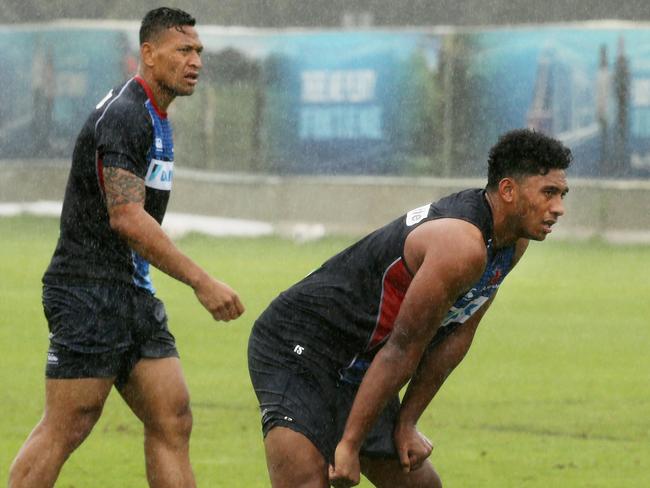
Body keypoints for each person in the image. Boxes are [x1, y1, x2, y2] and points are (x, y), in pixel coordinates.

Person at [248, 128, 572, 488]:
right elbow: (403, 346)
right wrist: (350, 445)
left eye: (561, 194)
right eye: (549, 193)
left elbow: (459, 333)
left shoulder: (512, 244)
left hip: (361, 360)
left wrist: (406, 422)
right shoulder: (461, 246)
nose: (559, 208)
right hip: (300, 345)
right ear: (509, 190)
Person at [9, 8, 244, 488]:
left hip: (131, 291)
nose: (195, 60)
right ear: (149, 54)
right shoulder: (125, 115)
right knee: (68, 424)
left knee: (173, 418)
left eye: (198, 50)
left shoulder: (156, 118)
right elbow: (127, 218)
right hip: (87, 290)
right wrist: (202, 281)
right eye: (183, 50)